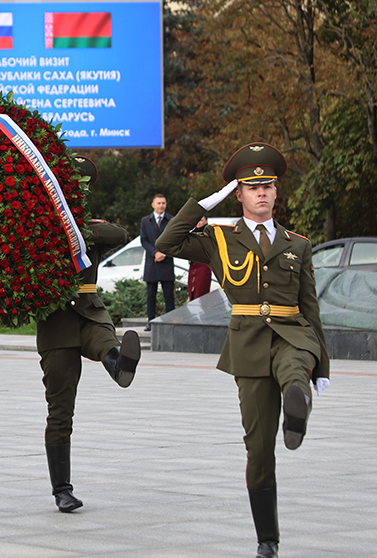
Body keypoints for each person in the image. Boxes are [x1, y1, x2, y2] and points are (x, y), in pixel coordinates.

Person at [155, 143, 330, 558]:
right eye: (253, 188)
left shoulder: (298, 244)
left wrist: (321, 363)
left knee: (293, 372)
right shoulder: (218, 238)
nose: (262, 193)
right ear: (239, 195)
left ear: (276, 192)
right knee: (258, 446)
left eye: (268, 186)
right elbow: (167, 241)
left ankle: (298, 401)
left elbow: (311, 307)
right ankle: (267, 539)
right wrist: (202, 204)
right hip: (248, 342)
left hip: (293, 333)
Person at [36, 155, 142, 512]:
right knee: (61, 408)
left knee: (106, 343)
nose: (75, 192)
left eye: (80, 187)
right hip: (56, 320)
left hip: (89, 310)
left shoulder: (86, 225)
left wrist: (76, 227)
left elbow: (120, 233)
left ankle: (119, 365)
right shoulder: (37, 225)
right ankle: (62, 489)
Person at [139, 194, 175, 330]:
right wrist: (155, 253)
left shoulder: (171, 220)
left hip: (166, 261)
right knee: (151, 295)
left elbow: (174, 238)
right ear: (153, 204)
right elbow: (144, 240)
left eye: (163, 203)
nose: (161, 205)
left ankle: (170, 321)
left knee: (169, 294)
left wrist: (164, 253)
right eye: (159, 203)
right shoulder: (145, 221)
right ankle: (151, 321)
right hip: (152, 262)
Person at [187, 216, 213, 301]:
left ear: (206, 221)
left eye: (201, 220)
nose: (199, 223)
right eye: (197, 220)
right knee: (192, 290)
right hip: (193, 265)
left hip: (204, 265)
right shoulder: (191, 233)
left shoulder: (209, 233)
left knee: (201, 291)